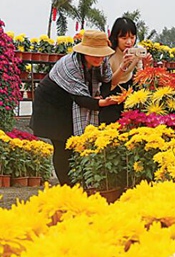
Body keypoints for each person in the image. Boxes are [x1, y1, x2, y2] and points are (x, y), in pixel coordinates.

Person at [30, 30, 124, 184]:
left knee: (75, 144)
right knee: (62, 144)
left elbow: (106, 82)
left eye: (101, 54)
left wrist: (105, 97)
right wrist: (102, 103)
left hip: (71, 102)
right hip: (52, 104)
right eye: (94, 54)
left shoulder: (102, 61)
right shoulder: (70, 65)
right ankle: (67, 186)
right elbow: (80, 98)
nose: (98, 58)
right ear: (84, 51)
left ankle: (80, 183)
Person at [100, 16, 151, 124]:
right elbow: (110, 83)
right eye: (124, 38)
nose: (129, 42)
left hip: (128, 90)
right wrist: (123, 66)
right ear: (115, 38)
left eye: (132, 37)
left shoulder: (136, 53)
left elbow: (140, 80)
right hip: (110, 94)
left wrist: (146, 66)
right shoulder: (108, 55)